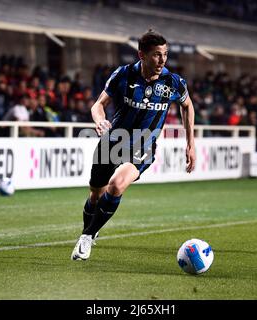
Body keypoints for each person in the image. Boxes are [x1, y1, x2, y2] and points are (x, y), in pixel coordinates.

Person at [71, 30, 196, 261]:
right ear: (142, 55)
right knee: (95, 195)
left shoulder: (173, 82)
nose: (162, 60)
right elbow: (98, 105)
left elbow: (187, 105)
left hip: (143, 146)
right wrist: (99, 121)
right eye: (157, 55)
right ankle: (90, 229)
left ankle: (86, 236)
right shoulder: (124, 75)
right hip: (113, 140)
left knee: (117, 185)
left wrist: (191, 143)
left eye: (165, 54)